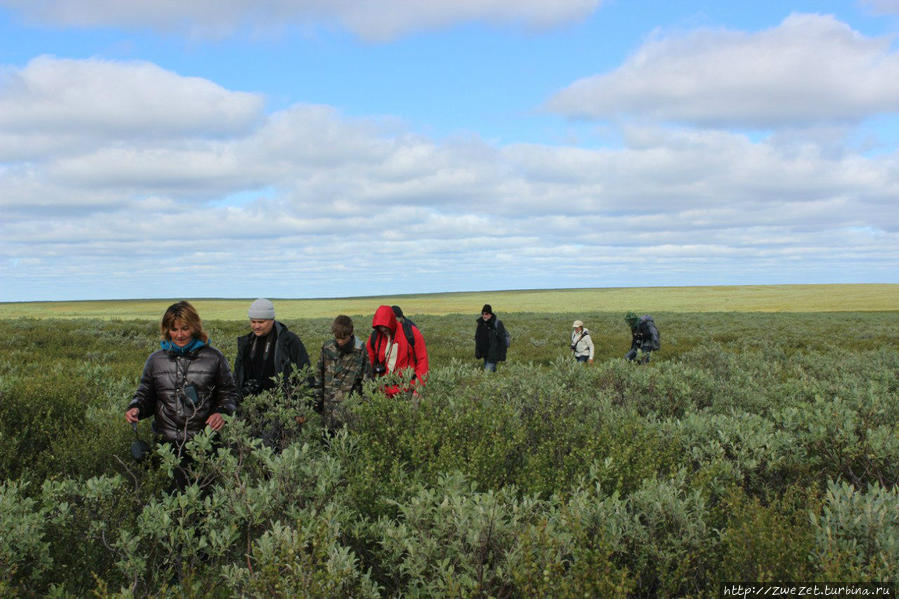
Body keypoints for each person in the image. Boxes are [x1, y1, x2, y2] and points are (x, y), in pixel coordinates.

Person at [125, 301, 238, 490]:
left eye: (185, 328)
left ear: (194, 327)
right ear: (166, 330)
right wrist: (136, 407)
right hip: (166, 444)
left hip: (204, 444)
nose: (179, 335)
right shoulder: (155, 360)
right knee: (169, 501)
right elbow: (145, 393)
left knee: (205, 500)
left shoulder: (214, 357)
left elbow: (229, 393)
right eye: (174, 329)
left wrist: (222, 412)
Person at [233, 298, 311, 400]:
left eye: (261, 322)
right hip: (249, 404)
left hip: (281, 405)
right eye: (253, 321)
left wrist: (301, 407)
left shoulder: (289, 341)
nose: (256, 326)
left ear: (272, 320)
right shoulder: (247, 342)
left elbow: (305, 374)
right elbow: (237, 375)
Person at [314, 315, 371, 431]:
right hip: (328, 410)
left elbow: (367, 380)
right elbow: (319, 375)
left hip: (350, 412)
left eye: (343, 338)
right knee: (327, 442)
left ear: (351, 333)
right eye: (337, 338)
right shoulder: (327, 347)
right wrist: (317, 400)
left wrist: (365, 406)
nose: (340, 342)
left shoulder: (360, 350)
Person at [367, 304, 428, 398]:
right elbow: (369, 364)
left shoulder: (411, 332)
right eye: (380, 326)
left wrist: (418, 388)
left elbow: (422, 360)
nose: (383, 329)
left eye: (385, 325)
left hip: (408, 390)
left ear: (392, 320)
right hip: (382, 392)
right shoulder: (375, 337)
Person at [474, 304, 508, 372]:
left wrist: (502, 355)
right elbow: (477, 338)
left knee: (487, 373)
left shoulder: (497, 323)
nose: (484, 316)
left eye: (486, 314)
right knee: (492, 373)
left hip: (493, 354)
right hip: (485, 354)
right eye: (483, 314)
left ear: (490, 314)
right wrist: (478, 352)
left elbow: (503, 340)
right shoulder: (481, 324)